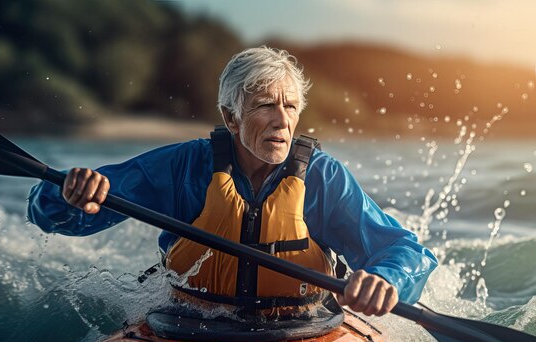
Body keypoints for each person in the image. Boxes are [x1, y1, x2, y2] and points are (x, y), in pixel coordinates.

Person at [28, 46, 437, 320]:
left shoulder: (322, 177)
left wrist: (386, 279)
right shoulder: (183, 166)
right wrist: (67, 195)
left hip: (298, 322)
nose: (282, 120)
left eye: (291, 106)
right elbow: (57, 216)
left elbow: (404, 250)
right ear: (230, 118)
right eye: (264, 105)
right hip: (191, 320)